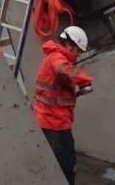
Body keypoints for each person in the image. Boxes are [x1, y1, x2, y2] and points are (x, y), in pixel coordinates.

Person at [34, 26, 93, 185]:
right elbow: (64, 71)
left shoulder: (57, 57)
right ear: (68, 44)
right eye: (78, 50)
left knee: (63, 162)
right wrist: (85, 80)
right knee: (66, 165)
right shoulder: (56, 58)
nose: (78, 54)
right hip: (54, 124)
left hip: (53, 121)